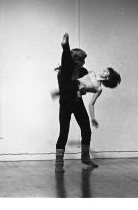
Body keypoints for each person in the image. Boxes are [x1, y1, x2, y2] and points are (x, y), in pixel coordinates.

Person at [54, 33, 97, 173]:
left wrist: (87, 88)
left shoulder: (82, 71)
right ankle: (58, 164)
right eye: (81, 60)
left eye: (84, 61)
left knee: (86, 129)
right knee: (64, 133)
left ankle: (85, 158)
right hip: (66, 105)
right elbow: (66, 58)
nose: (83, 63)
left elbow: (88, 85)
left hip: (77, 103)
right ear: (75, 61)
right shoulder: (63, 73)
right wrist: (65, 46)